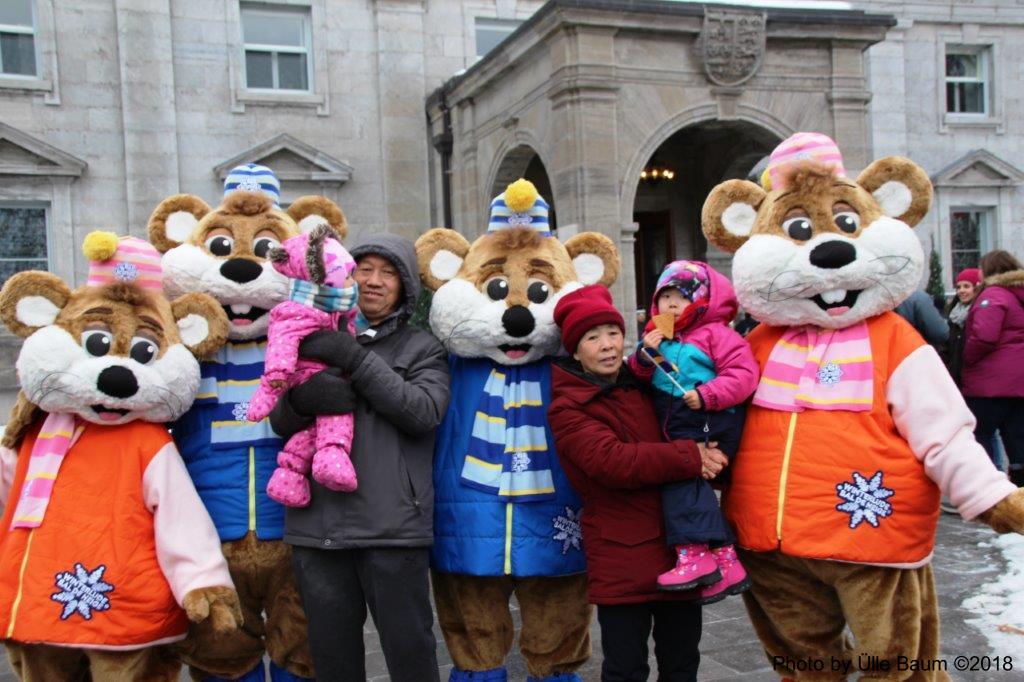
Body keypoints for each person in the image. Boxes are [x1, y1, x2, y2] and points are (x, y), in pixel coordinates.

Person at [268, 233, 451, 681]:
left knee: (412, 657)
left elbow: (422, 412)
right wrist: (301, 401)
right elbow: (277, 420)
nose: (372, 281)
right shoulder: (307, 337)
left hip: (393, 528)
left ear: (405, 287)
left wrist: (354, 358)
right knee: (333, 663)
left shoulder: (422, 348)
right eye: (363, 269)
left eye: (387, 273)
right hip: (318, 529)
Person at [548, 284, 729, 682]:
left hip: (678, 548)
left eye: (613, 333)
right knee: (626, 669)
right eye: (592, 338)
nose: (608, 345)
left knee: (682, 664)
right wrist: (690, 456)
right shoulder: (568, 407)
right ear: (575, 351)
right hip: (622, 555)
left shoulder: (645, 381)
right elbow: (612, 462)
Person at [627, 261, 758, 601]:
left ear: (702, 301)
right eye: (664, 297)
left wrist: (707, 395)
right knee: (688, 481)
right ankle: (726, 560)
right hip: (671, 415)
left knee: (681, 479)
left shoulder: (717, 334)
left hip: (705, 415)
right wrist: (644, 357)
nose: (670, 305)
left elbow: (743, 375)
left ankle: (694, 554)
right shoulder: (658, 337)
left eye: (680, 297)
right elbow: (639, 375)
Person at [962, 249, 1024, 486]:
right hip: (1018, 382)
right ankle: (1019, 487)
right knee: (1017, 437)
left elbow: (985, 337)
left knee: (981, 433)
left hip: (991, 383)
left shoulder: (994, 295)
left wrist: (967, 358)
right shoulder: (1017, 293)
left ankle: (987, 484)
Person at [946, 267, 982, 386]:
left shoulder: (980, 312)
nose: (961, 291)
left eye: (966, 286)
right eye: (958, 287)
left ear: (976, 288)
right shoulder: (952, 314)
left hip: (974, 374)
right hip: (955, 373)